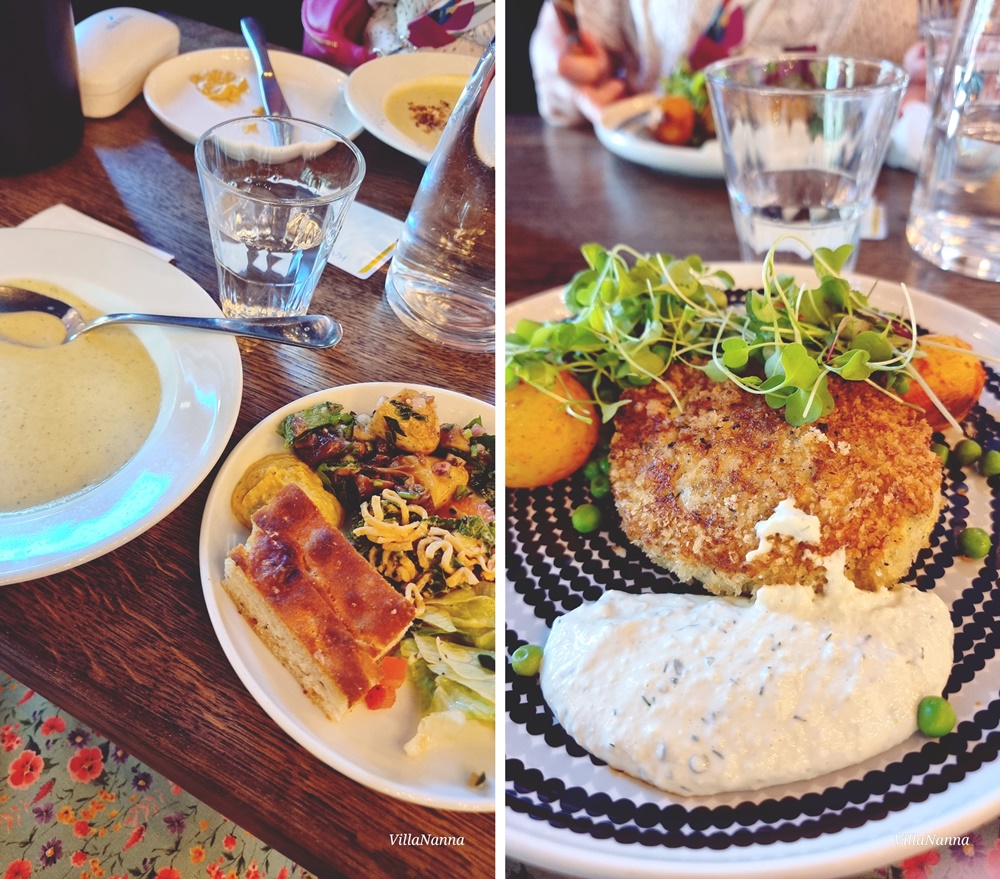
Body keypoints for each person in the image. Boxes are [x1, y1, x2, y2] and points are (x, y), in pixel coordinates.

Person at [529, 0, 923, 128]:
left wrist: (940, 84)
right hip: (655, 197)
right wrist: (564, 70)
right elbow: (568, 25)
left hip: (869, 205)